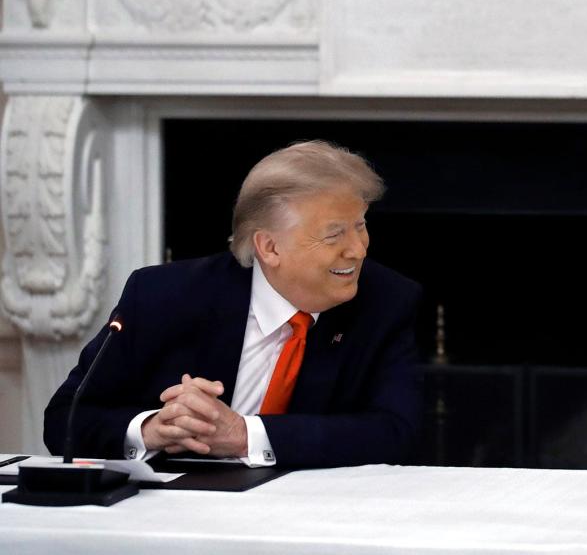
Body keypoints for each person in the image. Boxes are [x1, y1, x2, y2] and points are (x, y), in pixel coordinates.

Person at [45, 140, 422, 468]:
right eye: (334, 234)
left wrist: (246, 435)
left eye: (360, 225)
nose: (358, 249)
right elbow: (65, 418)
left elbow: (396, 432)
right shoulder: (163, 296)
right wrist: (149, 431)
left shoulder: (385, 302)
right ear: (269, 247)